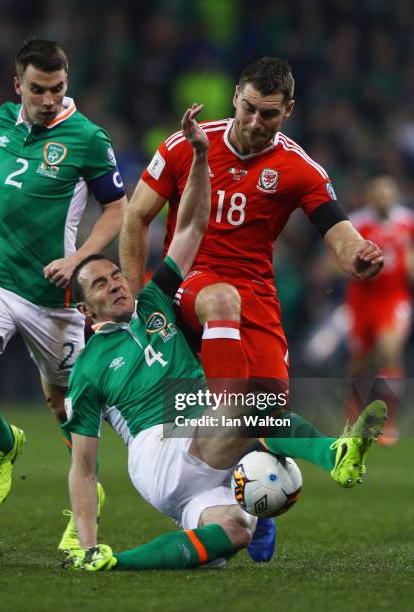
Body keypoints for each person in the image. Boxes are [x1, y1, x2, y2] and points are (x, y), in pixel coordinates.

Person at [61, 105, 386, 573]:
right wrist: (85, 536)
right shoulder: (89, 366)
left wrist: (199, 158)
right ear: (84, 310)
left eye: (115, 275)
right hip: (159, 450)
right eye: (100, 285)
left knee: (235, 530)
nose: (115, 283)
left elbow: (191, 226)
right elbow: (84, 467)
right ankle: (332, 452)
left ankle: (117, 563)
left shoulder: (153, 302)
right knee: (242, 403)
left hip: (197, 453)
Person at [119, 56, 384, 471]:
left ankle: (332, 456)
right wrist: (138, 302)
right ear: (235, 98)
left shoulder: (298, 167)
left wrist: (358, 255)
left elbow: (337, 227)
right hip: (189, 280)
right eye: (249, 109)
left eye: (269, 114)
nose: (256, 122)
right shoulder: (185, 145)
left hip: (255, 291)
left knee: (265, 408)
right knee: (222, 303)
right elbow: (136, 216)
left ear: (288, 111)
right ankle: (223, 416)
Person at [0, 40, 127, 521]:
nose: (49, 99)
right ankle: (3, 444)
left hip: (53, 294)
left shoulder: (87, 137)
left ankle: (89, 500)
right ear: (17, 85)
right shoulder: (0, 120)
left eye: (58, 88)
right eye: (38, 90)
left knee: (66, 407)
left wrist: (80, 259)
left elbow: (116, 209)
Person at [344, 176, 414, 445]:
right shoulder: (357, 223)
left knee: (390, 352)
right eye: (378, 193)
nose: (384, 198)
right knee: (359, 363)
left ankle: (387, 420)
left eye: (388, 193)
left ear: (395, 194)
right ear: (370, 196)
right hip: (361, 299)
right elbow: (342, 257)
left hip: (394, 298)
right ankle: (353, 409)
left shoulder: (407, 221)